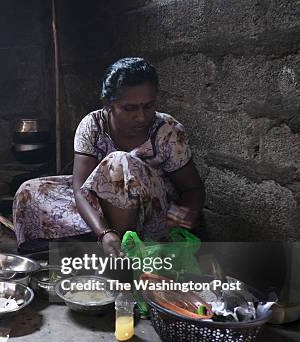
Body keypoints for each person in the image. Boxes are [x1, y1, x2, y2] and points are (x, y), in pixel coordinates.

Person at [13, 57, 205, 256]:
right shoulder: (92, 126)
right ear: (108, 104)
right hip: (102, 207)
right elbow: (80, 190)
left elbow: (194, 189)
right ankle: (101, 239)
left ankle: (119, 254)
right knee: (30, 191)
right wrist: (104, 232)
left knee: (118, 161)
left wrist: (188, 211)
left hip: (150, 213)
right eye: (130, 108)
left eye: (148, 106)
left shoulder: (168, 131)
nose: (141, 116)